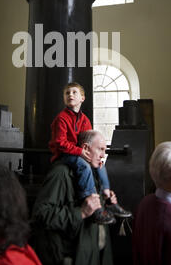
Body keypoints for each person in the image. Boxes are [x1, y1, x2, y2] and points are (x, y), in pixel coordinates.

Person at [32, 130, 117, 265]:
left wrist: (106, 203)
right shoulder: (61, 174)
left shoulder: (94, 173)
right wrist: (81, 212)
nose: (103, 155)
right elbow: (41, 215)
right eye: (100, 149)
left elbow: (95, 213)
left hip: (95, 263)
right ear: (85, 149)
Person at [49, 82, 131, 223]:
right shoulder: (61, 119)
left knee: (100, 165)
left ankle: (109, 200)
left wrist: (94, 157)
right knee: (84, 166)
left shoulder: (85, 120)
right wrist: (80, 152)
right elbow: (60, 143)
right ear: (64, 98)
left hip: (79, 152)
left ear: (82, 98)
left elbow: (88, 142)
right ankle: (93, 204)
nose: (70, 95)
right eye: (67, 93)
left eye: (74, 92)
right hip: (64, 155)